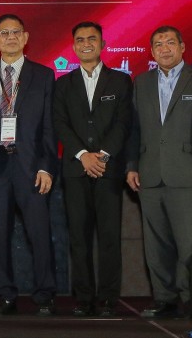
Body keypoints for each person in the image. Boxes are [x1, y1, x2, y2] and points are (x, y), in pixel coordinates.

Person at [126, 25, 192, 318]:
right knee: (156, 243)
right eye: (158, 44)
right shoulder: (141, 82)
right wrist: (131, 166)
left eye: (170, 42)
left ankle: (191, 298)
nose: (164, 48)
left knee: (188, 243)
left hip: (189, 173)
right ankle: (164, 298)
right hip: (149, 173)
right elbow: (134, 129)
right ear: (152, 52)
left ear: (182, 47)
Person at [0, 14, 58, 316]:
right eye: (3, 33)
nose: (10, 37)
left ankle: (45, 295)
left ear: (26, 37)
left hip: (31, 166)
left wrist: (47, 166)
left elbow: (49, 127)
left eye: (16, 32)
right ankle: (5, 295)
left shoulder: (43, 75)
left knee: (39, 233)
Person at [52, 21, 132, 318]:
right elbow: (60, 123)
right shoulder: (62, 84)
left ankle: (109, 298)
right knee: (79, 237)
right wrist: (83, 155)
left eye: (92, 39)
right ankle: (83, 298)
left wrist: (101, 156)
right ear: (73, 46)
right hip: (75, 170)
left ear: (102, 44)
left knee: (109, 236)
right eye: (80, 39)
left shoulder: (120, 81)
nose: (86, 43)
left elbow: (123, 124)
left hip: (108, 170)